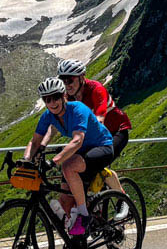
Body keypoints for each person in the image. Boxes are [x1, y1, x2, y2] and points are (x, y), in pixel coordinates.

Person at [24, 74, 114, 238]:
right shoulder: (48, 116)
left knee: (68, 166)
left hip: (102, 146)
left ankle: (84, 215)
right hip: (83, 152)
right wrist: (25, 160)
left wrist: (54, 161)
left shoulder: (77, 109)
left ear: (63, 96)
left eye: (56, 97)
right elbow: (35, 142)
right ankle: (76, 246)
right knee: (65, 200)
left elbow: (77, 141)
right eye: (47, 100)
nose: (52, 103)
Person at [58, 59, 132, 196]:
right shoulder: (69, 97)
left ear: (81, 77)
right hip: (95, 136)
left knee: (95, 164)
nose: (66, 85)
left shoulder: (96, 90)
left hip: (117, 132)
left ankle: (122, 198)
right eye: (63, 81)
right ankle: (92, 208)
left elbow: (100, 119)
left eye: (70, 80)